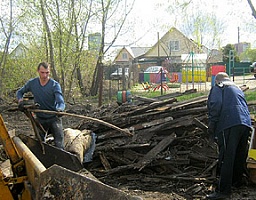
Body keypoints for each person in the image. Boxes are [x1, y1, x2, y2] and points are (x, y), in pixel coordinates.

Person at [206, 72, 252, 199]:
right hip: (245, 123)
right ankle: (237, 182)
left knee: (227, 156)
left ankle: (223, 191)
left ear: (217, 80)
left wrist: (212, 123)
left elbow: (216, 104)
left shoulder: (219, 87)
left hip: (229, 123)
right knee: (239, 154)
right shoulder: (237, 89)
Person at [16, 62, 65, 149]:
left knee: (59, 144)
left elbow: (61, 102)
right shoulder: (32, 83)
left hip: (54, 118)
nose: (45, 75)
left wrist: (60, 109)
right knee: (39, 144)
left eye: (47, 72)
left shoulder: (54, 85)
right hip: (40, 118)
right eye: (42, 72)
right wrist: (20, 101)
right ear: (38, 71)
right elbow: (19, 92)